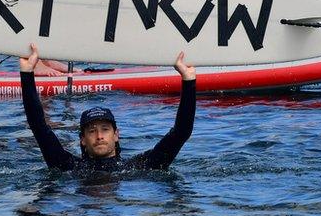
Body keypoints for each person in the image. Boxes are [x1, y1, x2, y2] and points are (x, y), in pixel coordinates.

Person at [20, 42, 196, 173]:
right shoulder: (68, 166)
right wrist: (27, 74)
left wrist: (188, 81)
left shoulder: (140, 166)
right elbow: (39, 127)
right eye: (91, 131)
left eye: (105, 129)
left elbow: (181, 133)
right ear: (82, 139)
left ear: (116, 135)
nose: (99, 136)